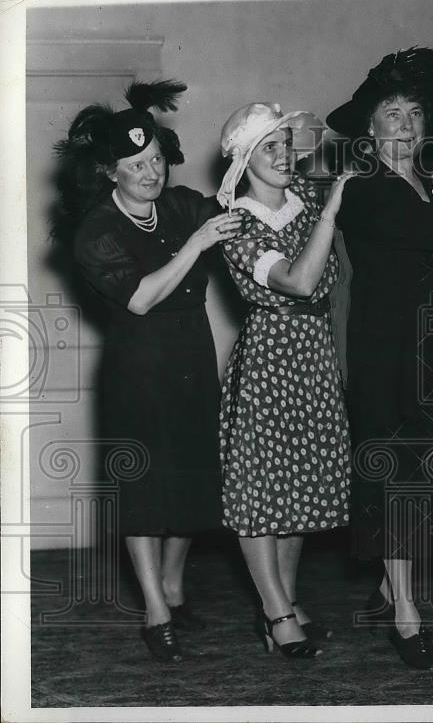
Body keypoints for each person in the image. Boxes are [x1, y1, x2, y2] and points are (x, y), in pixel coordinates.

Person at [328, 47, 433, 670]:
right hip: (387, 352)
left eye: (414, 113)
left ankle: (392, 585)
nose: (404, 123)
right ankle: (406, 612)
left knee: (429, 474)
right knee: (395, 477)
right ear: (369, 129)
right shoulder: (362, 187)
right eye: (391, 113)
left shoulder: (432, 181)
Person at [57, 80, 240, 661]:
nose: (151, 172)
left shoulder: (183, 205)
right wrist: (194, 246)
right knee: (142, 489)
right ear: (110, 172)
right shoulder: (96, 230)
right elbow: (138, 298)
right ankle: (155, 611)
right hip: (138, 366)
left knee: (190, 480)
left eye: (156, 159)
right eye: (136, 164)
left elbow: (235, 215)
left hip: (190, 357)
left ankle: (174, 588)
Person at [216, 102, 354, 659]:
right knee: (259, 489)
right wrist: (329, 216)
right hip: (270, 358)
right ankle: (274, 611)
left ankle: (287, 602)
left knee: (301, 488)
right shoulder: (237, 223)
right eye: (269, 147)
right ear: (245, 159)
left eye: (287, 143)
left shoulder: (306, 198)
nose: (284, 155)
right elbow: (298, 282)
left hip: (314, 354)